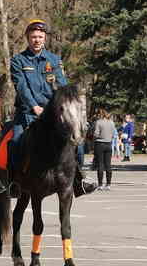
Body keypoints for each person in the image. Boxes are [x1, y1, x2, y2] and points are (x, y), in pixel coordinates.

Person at [10, 19, 95, 196]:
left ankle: (79, 180)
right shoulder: (18, 60)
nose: (37, 40)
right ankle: (14, 182)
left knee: (75, 141)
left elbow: (62, 87)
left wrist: (61, 107)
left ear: (45, 38)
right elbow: (21, 87)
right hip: (27, 113)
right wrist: (34, 106)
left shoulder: (54, 60)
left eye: (40, 37)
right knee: (16, 141)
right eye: (33, 37)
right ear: (27, 38)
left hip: (52, 114)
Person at [93, 109, 116, 190]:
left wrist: (94, 136)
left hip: (100, 144)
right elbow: (113, 134)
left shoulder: (98, 122)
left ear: (100, 114)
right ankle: (108, 184)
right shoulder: (112, 122)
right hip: (109, 144)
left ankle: (100, 184)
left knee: (100, 164)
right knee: (108, 165)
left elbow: (96, 134)